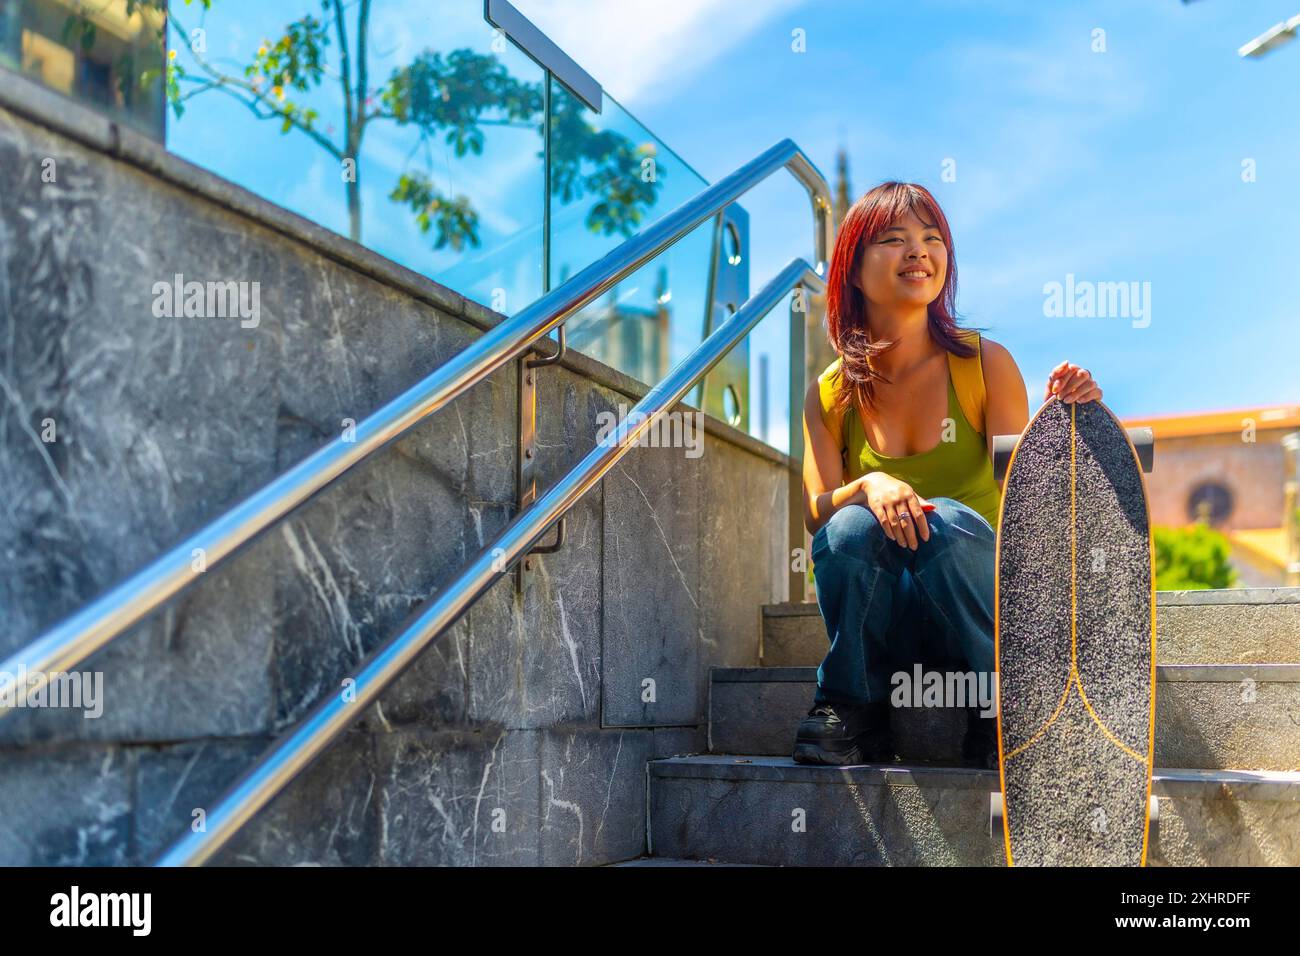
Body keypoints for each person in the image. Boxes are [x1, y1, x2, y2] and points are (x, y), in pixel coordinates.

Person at [792, 181, 1102, 768]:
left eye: (931, 239)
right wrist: (867, 486)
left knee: (945, 520)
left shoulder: (983, 364)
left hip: (981, 611)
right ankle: (853, 709)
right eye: (895, 240)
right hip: (898, 627)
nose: (919, 252)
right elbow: (816, 512)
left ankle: (1004, 707)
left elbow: (1031, 501)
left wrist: (1062, 428)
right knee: (848, 530)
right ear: (853, 271)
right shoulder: (831, 393)